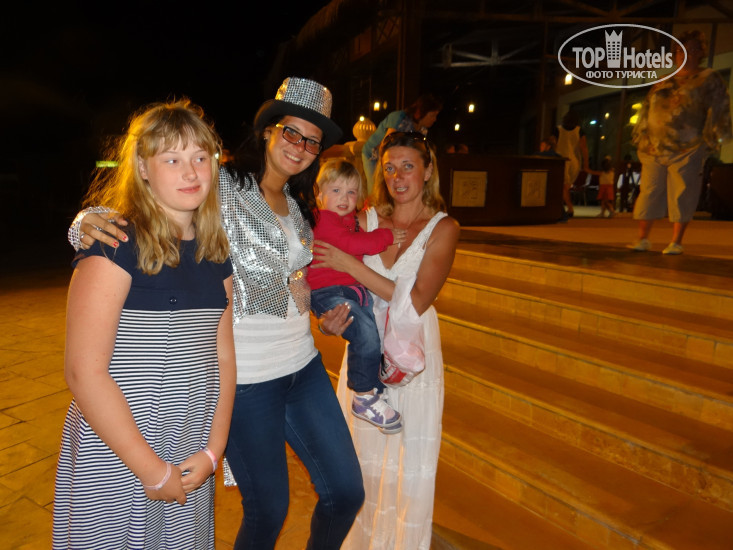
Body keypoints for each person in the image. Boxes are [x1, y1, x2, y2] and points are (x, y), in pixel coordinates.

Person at [67, 78, 365, 550]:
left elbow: (287, 280)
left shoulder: (301, 204)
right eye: (291, 132)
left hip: (302, 363)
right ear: (268, 130)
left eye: (312, 141)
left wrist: (320, 317)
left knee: (347, 492)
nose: (300, 146)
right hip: (248, 372)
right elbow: (156, 195)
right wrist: (84, 222)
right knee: (268, 509)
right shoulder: (223, 185)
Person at [54, 99, 236, 549]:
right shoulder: (114, 244)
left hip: (188, 447)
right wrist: (151, 470)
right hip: (120, 451)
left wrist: (213, 451)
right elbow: (83, 372)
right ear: (142, 168)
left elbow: (224, 358)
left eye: (200, 157)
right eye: (171, 159)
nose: (190, 172)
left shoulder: (217, 254)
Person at [313, 131, 460, 549]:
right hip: (365, 346)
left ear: (427, 171)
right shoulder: (366, 219)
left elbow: (415, 300)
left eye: (408, 167)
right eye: (390, 167)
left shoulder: (443, 228)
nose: (397, 177)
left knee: (409, 460)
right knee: (360, 459)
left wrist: (349, 264)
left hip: (411, 351)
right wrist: (327, 320)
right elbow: (323, 264)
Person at [308, 158, 406, 433]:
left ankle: (372, 386)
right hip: (329, 292)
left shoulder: (348, 219)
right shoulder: (323, 219)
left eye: (351, 192)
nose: (344, 198)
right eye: (336, 191)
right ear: (320, 194)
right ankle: (363, 395)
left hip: (349, 290)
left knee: (371, 334)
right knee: (364, 333)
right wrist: (385, 236)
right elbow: (350, 244)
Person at [629, 29, 732, 254]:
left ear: (700, 52)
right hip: (654, 146)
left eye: (691, 49)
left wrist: (716, 137)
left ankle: (676, 241)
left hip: (689, 146)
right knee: (649, 191)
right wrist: (641, 135)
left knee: (683, 192)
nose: (685, 54)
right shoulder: (664, 80)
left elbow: (721, 106)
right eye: (680, 50)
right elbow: (647, 108)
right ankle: (643, 238)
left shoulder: (708, 78)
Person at [362, 93, 443, 194]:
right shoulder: (399, 117)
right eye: (432, 115)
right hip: (373, 155)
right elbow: (386, 145)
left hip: (395, 160)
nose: (434, 119)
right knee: (376, 188)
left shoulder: (422, 130)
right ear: (422, 112)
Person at [553, 110, 589, 219]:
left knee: (562, 186)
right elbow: (584, 148)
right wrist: (586, 164)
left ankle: (568, 207)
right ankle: (564, 208)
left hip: (560, 160)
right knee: (566, 186)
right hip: (574, 161)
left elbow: (553, 145)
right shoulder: (579, 131)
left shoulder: (557, 130)